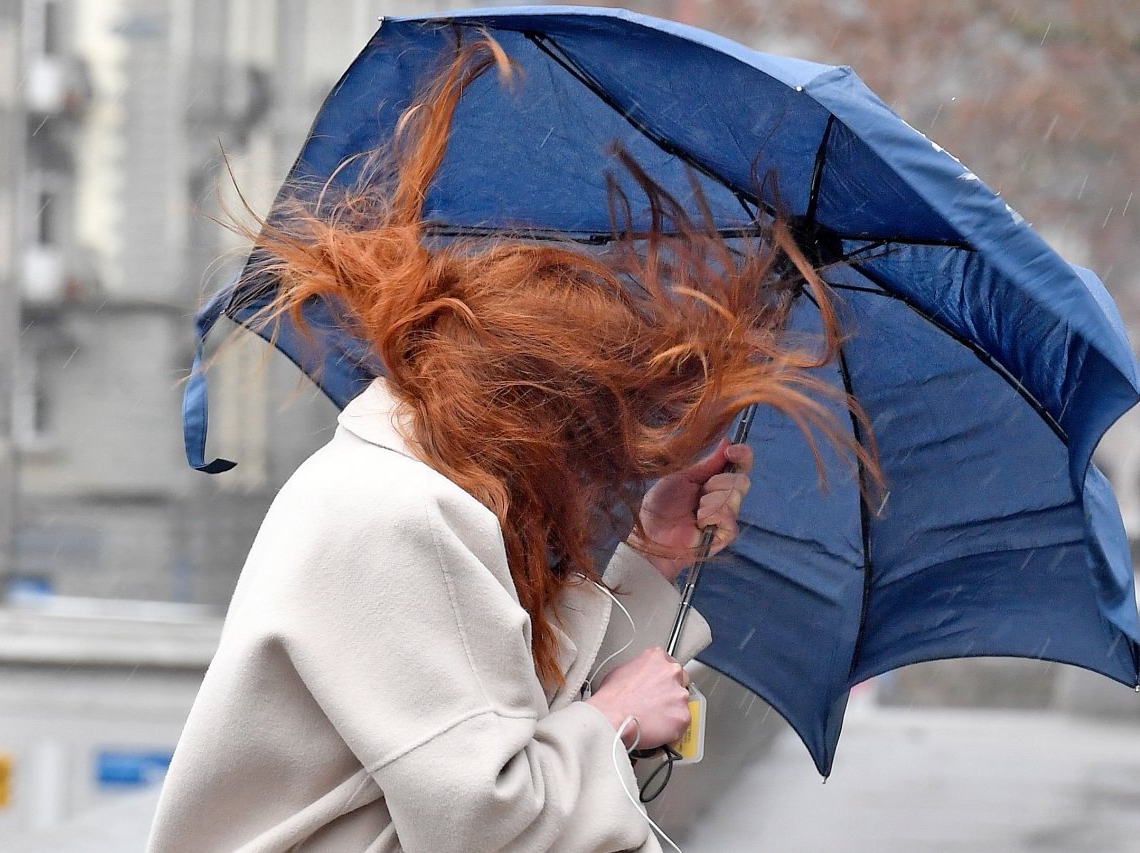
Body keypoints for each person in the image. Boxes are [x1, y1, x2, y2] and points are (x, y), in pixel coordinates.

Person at [148, 38, 865, 853]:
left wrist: (651, 555)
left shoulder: (406, 484)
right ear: (545, 419)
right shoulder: (404, 515)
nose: (609, 474)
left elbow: (489, 706)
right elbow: (487, 821)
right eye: (607, 440)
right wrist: (616, 720)